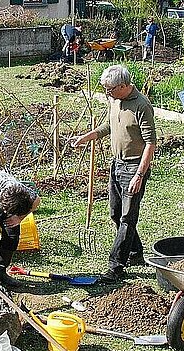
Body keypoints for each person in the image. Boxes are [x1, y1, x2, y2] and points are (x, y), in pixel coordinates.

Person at [69, 64, 156, 283]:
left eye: (110, 89)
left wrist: (139, 175)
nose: (107, 93)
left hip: (134, 167)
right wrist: (86, 137)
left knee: (128, 217)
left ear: (124, 85)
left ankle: (116, 265)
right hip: (116, 164)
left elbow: (150, 143)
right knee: (116, 214)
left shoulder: (142, 105)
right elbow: (109, 126)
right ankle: (135, 253)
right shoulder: (114, 100)